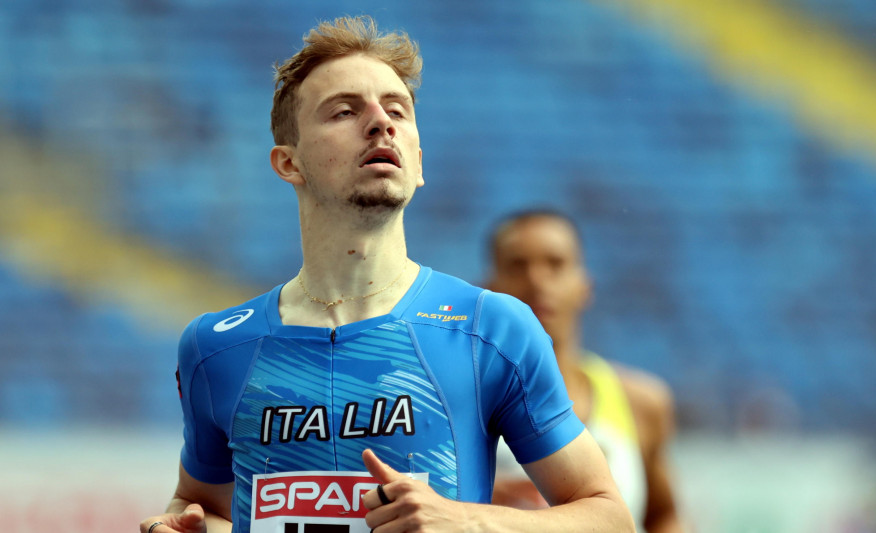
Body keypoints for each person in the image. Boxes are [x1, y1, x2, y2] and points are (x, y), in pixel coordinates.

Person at [139, 16, 635, 533]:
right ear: (289, 163)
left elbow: (610, 517)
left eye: (396, 109)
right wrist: (182, 526)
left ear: (417, 163)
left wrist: (467, 522)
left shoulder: (491, 330)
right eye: (345, 111)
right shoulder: (216, 347)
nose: (381, 123)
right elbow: (204, 506)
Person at [486, 209, 684, 533]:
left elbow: (664, 515)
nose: (537, 280)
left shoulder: (640, 402)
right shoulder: (460, 403)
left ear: (584, 285)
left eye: (556, 264)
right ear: (488, 288)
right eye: (517, 266)